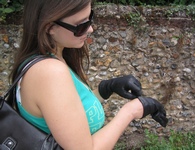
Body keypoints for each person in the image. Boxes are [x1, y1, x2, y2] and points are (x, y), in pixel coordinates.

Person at [9, 0, 168, 149]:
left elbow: (69, 111)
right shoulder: (50, 72)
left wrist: (105, 90)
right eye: (81, 25)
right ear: (49, 27)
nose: (90, 29)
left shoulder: (47, 59)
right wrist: (131, 111)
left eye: (90, 18)